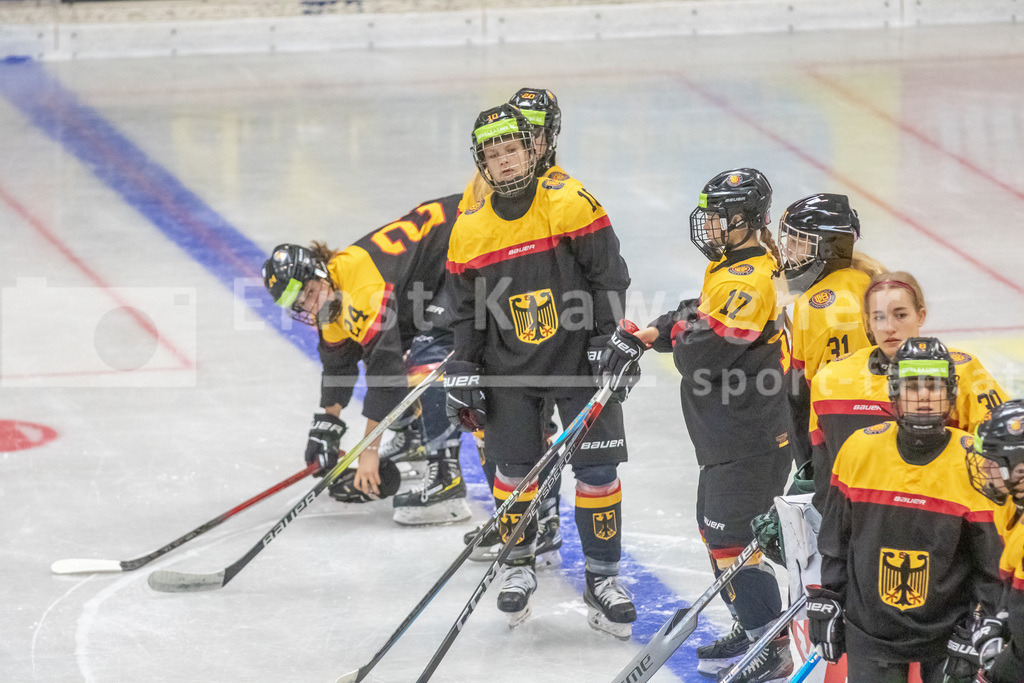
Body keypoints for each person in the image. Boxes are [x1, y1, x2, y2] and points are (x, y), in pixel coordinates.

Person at [444, 102, 637, 638]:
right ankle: (518, 565)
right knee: (513, 472)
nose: (504, 160)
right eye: (493, 153)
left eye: (512, 149)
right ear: (481, 162)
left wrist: (608, 341)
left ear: (533, 149)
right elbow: (467, 311)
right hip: (508, 369)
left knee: (598, 471)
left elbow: (609, 276)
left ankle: (603, 578)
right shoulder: (470, 229)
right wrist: (463, 366)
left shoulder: (570, 202)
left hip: (578, 363)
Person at [624, 168, 795, 681]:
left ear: (746, 220)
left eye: (721, 217)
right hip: (731, 435)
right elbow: (697, 315)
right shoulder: (734, 267)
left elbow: (700, 352)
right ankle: (754, 625)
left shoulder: (748, 280)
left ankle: (770, 644)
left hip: (750, 436)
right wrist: (662, 328)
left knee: (731, 539)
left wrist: (676, 330)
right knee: (717, 531)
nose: (711, 225)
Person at [261, 194, 472, 526]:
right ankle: (414, 440)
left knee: (423, 361)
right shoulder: (330, 293)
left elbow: (386, 377)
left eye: (310, 293)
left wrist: (369, 452)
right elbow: (339, 364)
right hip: (435, 267)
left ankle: (447, 482)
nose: (311, 306)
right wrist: (327, 425)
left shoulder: (361, 290)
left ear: (320, 273)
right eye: (300, 304)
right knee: (397, 347)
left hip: (467, 246)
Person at [808, 337, 1004, 683]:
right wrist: (830, 597)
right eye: (913, 386)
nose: (924, 396)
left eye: (934, 386)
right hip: (871, 632)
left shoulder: (975, 465)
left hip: (949, 637)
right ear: (895, 394)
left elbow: (992, 565)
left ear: (951, 395)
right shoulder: (858, 450)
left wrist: (979, 623)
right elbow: (836, 541)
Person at [460, 87, 566, 569]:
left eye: (538, 133)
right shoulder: (482, 184)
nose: (531, 143)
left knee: (544, 429)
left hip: (551, 331)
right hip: (501, 330)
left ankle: (546, 513)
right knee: (497, 431)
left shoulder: (561, 190)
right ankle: (515, 514)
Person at [809, 270, 1007, 511]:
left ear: (920, 316)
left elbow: (1003, 449)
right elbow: (824, 464)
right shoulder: (830, 379)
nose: (889, 327)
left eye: (900, 315)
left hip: (939, 519)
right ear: (868, 323)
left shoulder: (961, 372)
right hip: (861, 522)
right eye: (879, 317)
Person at [776, 193, 886, 473]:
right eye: (789, 239)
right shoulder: (853, 278)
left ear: (827, 247)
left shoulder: (831, 309)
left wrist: (814, 460)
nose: (788, 249)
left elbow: (842, 398)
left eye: (799, 241)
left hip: (845, 447)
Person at [966, 399, 1024, 683]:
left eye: (992, 460)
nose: (986, 468)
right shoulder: (1011, 507)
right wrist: (1001, 619)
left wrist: (1001, 670)